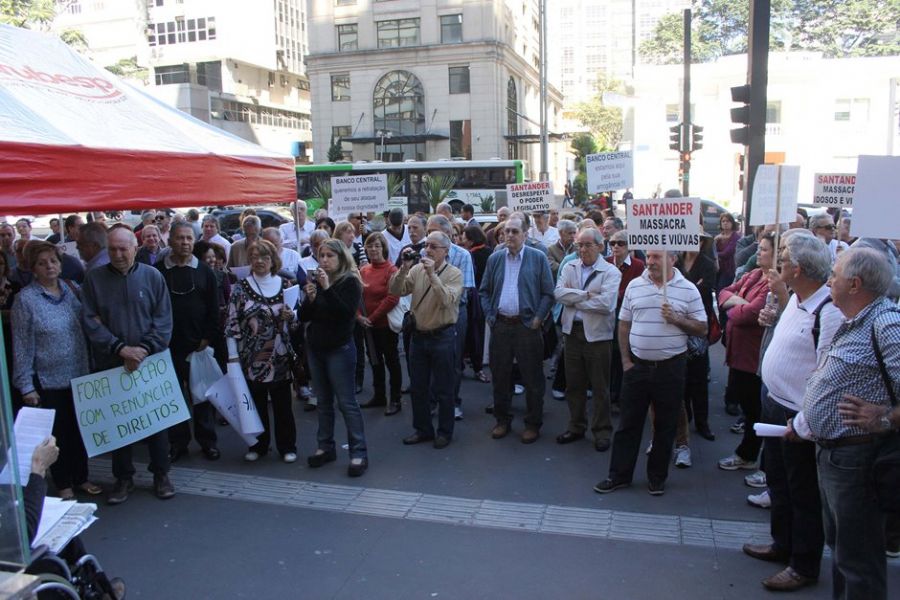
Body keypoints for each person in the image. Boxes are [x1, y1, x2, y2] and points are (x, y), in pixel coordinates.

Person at [789, 248, 899, 600]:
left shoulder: (887, 324)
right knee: (842, 553)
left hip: (859, 461)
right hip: (836, 457)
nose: (828, 280)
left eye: (834, 274)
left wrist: (883, 416)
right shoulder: (858, 319)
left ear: (854, 284)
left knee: (858, 560)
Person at [742, 232, 840, 591]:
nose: (776, 260)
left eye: (782, 256)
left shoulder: (828, 312)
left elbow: (827, 375)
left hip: (799, 418)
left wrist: (803, 422)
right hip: (775, 405)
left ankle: (803, 565)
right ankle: (782, 545)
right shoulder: (797, 299)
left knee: (803, 494)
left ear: (796, 268)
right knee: (779, 483)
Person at [594, 251, 706, 496]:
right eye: (649, 257)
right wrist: (625, 360)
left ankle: (656, 478)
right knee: (628, 425)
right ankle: (619, 475)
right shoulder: (635, 285)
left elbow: (702, 328)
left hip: (671, 369)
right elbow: (624, 324)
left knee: (665, 426)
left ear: (672, 260)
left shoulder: (687, 289)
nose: (650, 262)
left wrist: (677, 319)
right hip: (637, 368)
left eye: (657, 257)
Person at [81, 227, 174, 504]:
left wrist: (143, 349)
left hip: (149, 363)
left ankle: (161, 473)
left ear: (136, 248)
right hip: (112, 363)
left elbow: (164, 319)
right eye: (112, 249)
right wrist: (120, 349)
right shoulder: (94, 280)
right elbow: (89, 320)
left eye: (123, 249)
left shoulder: (153, 276)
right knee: (118, 424)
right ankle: (123, 478)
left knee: (157, 421)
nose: (118, 255)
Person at [12, 241, 101, 500]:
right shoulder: (25, 300)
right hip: (48, 381)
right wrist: (26, 385)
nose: (49, 266)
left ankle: (82, 477)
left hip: (80, 375)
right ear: (33, 269)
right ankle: (63, 483)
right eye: (42, 263)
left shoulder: (72, 289)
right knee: (57, 435)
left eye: (53, 261)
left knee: (79, 431)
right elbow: (21, 345)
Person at [479, 217, 554, 443]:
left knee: (532, 379)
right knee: (500, 376)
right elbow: (484, 291)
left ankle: (532, 423)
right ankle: (502, 420)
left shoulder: (537, 258)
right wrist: (491, 317)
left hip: (527, 328)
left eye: (514, 231)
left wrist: (538, 318)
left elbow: (548, 293)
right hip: (501, 325)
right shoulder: (495, 259)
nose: (509, 235)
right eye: (506, 231)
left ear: (525, 234)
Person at [226, 240, 298, 463]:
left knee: (283, 404)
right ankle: (259, 445)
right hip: (251, 357)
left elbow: (297, 319)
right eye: (255, 257)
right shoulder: (240, 288)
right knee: (256, 404)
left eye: (264, 257)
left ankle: (287, 446)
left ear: (273, 260)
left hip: (280, 356)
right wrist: (233, 357)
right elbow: (231, 324)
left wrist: (292, 316)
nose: (259, 261)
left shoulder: (286, 284)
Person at [301, 239, 369, 476]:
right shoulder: (318, 281)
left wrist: (327, 288)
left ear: (341, 258)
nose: (325, 260)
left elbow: (344, 314)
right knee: (323, 401)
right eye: (322, 255)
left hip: (339, 349)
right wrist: (309, 299)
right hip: (316, 347)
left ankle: (359, 452)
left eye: (330, 255)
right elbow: (306, 316)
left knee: (347, 403)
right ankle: (325, 446)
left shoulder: (350, 281)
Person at [391, 232, 463, 448]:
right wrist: (403, 268)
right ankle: (422, 429)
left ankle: (444, 431)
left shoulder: (454, 274)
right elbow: (395, 290)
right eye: (426, 246)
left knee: (444, 388)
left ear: (445, 251)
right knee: (419, 387)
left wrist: (433, 274)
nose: (428, 250)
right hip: (419, 336)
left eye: (434, 247)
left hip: (443, 335)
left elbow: (446, 301)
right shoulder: (416, 269)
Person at [157, 223, 221, 463]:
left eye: (188, 238)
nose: (185, 242)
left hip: (199, 347)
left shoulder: (205, 271)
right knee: (174, 397)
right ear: (170, 241)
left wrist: (207, 337)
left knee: (202, 397)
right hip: (167, 348)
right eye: (180, 238)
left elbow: (214, 309)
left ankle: (208, 442)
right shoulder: (158, 271)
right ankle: (178, 443)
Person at [554, 227, 621, 452]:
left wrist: (574, 299)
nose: (582, 250)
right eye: (579, 245)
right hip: (572, 332)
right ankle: (576, 426)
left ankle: (602, 431)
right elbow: (558, 293)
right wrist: (586, 295)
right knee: (574, 384)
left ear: (601, 246)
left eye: (587, 245)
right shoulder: (570, 266)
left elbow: (606, 305)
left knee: (600, 386)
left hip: (598, 336)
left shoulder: (611, 272)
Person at [717, 233, 774, 471]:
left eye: (763, 249)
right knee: (747, 405)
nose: (757, 253)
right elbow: (723, 292)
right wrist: (736, 301)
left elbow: (749, 314)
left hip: (753, 357)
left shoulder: (773, 285)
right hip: (738, 353)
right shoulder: (753, 275)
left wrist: (735, 305)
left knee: (754, 410)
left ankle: (749, 455)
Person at [426, 215, 475, 420]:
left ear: (447, 234)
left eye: (434, 232)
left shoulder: (462, 255)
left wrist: (439, 293)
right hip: (427, 313)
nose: (429, 237)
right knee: (429, 360)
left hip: (454, 314)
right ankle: (431, 402)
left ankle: (453, 402)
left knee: (452, 360)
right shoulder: (422, 253)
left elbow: (463, 291)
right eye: (428, 232)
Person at [677, 237, 718, 444]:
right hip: (676, 327)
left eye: (698, 240)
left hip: (698, 326)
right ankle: (685, 418)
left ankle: (702, 422)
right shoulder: (675, 261)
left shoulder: (708, 264)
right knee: (680, 376)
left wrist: (686, 289)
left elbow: (705, 293)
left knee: (699, 379)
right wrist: (694, 286)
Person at [358, 232, 402, 416]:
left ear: (383, 248)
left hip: (384, 325)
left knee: (391, 361)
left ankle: (395, 399)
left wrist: (372, 317)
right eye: (370, 246)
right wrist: (359, 316)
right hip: (368, 326)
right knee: (375, 361)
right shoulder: (363, 270)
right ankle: (379, 395)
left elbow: (393, 298)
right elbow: (357, 296)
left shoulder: (392, 271)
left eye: (377, 246)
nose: (374, 249)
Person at [605, 231, 645, 409]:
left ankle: (624, 395)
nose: (615, 247)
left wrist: (617, 295)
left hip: (629, 318)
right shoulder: (605, 263)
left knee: (626, 355)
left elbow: (637, 291)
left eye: (620, 243)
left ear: (629, 247)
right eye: (612, 243)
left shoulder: (638, 265)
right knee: (611, 357)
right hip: (607, 317)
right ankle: (612, 394)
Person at [462, 224, 491, 383]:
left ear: (471, 240)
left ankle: (475, 366)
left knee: (472, 335)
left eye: (464, 238)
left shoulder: (469, 255)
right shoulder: (489, 252)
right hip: (480, 299)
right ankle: (477, 367)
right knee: (476, 335)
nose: (461, 240)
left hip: (474, 299)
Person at [715, 213, 741, 292]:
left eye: (728, 221)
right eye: (723, 221)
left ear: (732, 223)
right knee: (717, 290)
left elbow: (727, 253)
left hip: (729, 270)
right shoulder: (718, 237)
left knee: (722, 290)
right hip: (718, 269)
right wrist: (714, 241)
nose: (725, 223)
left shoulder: (735, 237)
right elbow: (711, 250)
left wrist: (716, 255)